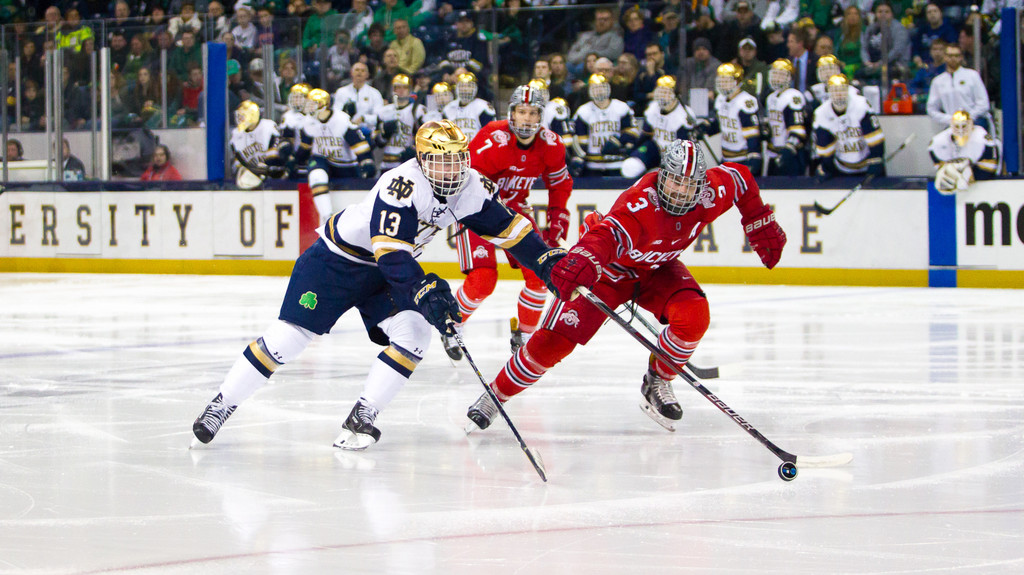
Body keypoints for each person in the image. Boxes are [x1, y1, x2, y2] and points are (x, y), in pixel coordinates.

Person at [190, 119, 567, 451]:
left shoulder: (469, 185)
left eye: (457, 157)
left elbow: (507, 228)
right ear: (422, 160)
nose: (452, 168)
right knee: (289, 339)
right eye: (441, 159)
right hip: (337, 263)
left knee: (415, 333)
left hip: (386, 268)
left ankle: (363, 413)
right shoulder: (400, 185)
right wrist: (422, 289)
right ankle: (222, 403)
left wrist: (545, 258)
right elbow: (391, 255)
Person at [464, 139, 787, 432]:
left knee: (694, 316)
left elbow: (741, 177)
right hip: (609, 274)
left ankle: (658, 380)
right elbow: (604, 239)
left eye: (689, 184)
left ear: (701, 184)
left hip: (657, 269)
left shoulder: (711, 192)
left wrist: (758, 219)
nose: (680, 190)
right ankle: (496, 395)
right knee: (551, 344)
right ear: (662, 175)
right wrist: (583, 260)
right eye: (675, 180)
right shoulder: (640, 206)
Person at [445, 84, 573, 360]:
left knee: (542, 274)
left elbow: (560, 183)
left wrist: (558, 216)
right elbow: (467, 180)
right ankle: (453, 323)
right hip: (476, 210)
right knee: (483, 279)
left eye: (533, 113)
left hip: (514, 211)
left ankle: (525, 334)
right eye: (521, 111)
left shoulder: (551, 144)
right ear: (511, 113)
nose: (526, 118)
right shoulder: (492, 136)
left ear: (541, 116)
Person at [300, 89, 376, 223]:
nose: (310, 107)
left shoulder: (341, 120)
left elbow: (360, 145)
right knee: (316, 174)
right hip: (322, 160)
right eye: (309, 103)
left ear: (325, 105)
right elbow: (304, 148)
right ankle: (326, 218)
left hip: (345, 165)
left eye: (314, 103)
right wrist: (293, 160)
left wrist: (366, 162)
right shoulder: (308, 122)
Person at [621, 75, 697, 178]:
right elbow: (646, 135)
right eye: (660, 92)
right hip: (655, 150)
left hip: (676, 155)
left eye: (666, 93)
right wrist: (633, 150)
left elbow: (687, 148)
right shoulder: (652, 109)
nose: (662, 96)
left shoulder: (685, 115)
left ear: (675, 94)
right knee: (629, 167)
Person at [813, 74, 885, 177]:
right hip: (841, 168)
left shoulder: (861, 105)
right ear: (829, 92)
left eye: (842, 90)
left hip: (866, 165)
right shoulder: (821, 113)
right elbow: (825, 149)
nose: (839, 94)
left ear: (848, 90)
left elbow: (875, 138)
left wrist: (876, 161)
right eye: (835, 90)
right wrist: (828, 168)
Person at [569, 73, 638, 177]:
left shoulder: (621, 107)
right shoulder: (583, 111)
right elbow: (578, 139)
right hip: (592, 165)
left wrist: (618, 142)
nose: (599, 91)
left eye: (602, 87)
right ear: (590, 91)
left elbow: (633, 131)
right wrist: (580, 157)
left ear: (608, 88)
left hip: (618, 163)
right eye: (595, 88)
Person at [706, 62, 762, 173]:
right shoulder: (720, 99)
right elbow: (719, 125)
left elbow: (752, 134)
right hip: (726, 158)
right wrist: (705, 128)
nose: (722, 84)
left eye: (726, 81)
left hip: (742, 159)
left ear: (737, 82)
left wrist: (753, 156)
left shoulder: (745, 102)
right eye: (721, 80)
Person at [928, 110, 1001, 194]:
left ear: (971, 124)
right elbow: (940, 168)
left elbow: (988, 169)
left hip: (983, 186)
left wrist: (968, 176)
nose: (961, 130)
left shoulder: (982, 140)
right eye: (957, 126)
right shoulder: (937, 143)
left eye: (964, 126)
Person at [926, 44, 990, 130]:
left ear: (961, 57)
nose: (953, 58)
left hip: (975, 122)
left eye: (956, 56)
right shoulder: (938, 81)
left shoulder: (972, 75)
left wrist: (967, 117)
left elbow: (983, 103)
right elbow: (931, 108)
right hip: (951, 125)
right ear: (944, 57)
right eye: (950, 56)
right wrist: (949, 119)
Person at [764, 59, 808, 176]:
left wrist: (788, 150)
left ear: (789, 78)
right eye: (775, 74)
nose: (777, 78)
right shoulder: (770, 98)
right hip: (774, 152)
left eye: (781, 74)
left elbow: (797, 130)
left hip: (791, 154)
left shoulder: (793, 96)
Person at [232, 100, 288, 189]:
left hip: (276, 177)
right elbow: (239, 166)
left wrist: (264, 170)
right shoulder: (236, 135)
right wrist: (255, 171)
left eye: (242, 116)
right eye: (238, 116)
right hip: (255, 179)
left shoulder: (267, 127)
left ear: (252, 115)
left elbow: (275, 159)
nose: (240, 119)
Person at [375, 74, 425, 170]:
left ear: (410, 90)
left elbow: (424, 138)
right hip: (387, 164)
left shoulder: (418, 111)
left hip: (408, 164)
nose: (401, 91)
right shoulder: (384, 111)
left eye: (404, 87)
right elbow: (377, 143)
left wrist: (414, 150)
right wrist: (384, 135)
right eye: (398, 88)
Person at [859, 1, 911, 81]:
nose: (883, 14)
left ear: (892, 14)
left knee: (883, 73)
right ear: (875, 14)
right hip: (873, 65)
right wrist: (867, 61)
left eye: (886, 12)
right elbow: (863, 47)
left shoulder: (899, 29)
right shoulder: (871, 28)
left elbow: (896, 51)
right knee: (858, 73)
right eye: (880, 12)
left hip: (895, 65)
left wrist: (879, 64)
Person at [333, 62, 385, 139]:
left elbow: (379, 116)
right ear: (351, 73)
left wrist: (364, 118)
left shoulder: (375, 93)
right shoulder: (341, 92)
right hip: (346, 132)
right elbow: (336, 113)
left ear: (367, 75)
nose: (359, 72)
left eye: (363, 70)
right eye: (357, 70)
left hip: (367, 133)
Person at [566, 7, 624, 74]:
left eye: (605, 19)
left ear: (612, 21)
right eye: (599, 19)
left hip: (600, 66)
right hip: (576, 63)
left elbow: (613, 53)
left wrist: (591, 53)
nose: (602, 22)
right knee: (566, 66)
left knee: (579, 68)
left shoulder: (616, 36)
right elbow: (571, 53)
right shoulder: (585, 35)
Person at [442, 72, 496, 143]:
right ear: (457, 88)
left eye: (469, 86)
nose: (465, 89)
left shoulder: (483, 107)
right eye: (462, 86)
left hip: (477, 149)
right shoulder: (448, 108)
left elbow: (490, 133)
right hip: (456, 150)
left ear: (475, 88)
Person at [278, 84, 311, 178]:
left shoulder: (314, 115)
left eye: (300, 97)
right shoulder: (288, 116)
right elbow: (287, 138)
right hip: (296, 157)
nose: (296, 100)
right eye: (294, 97)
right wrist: (290, 156)